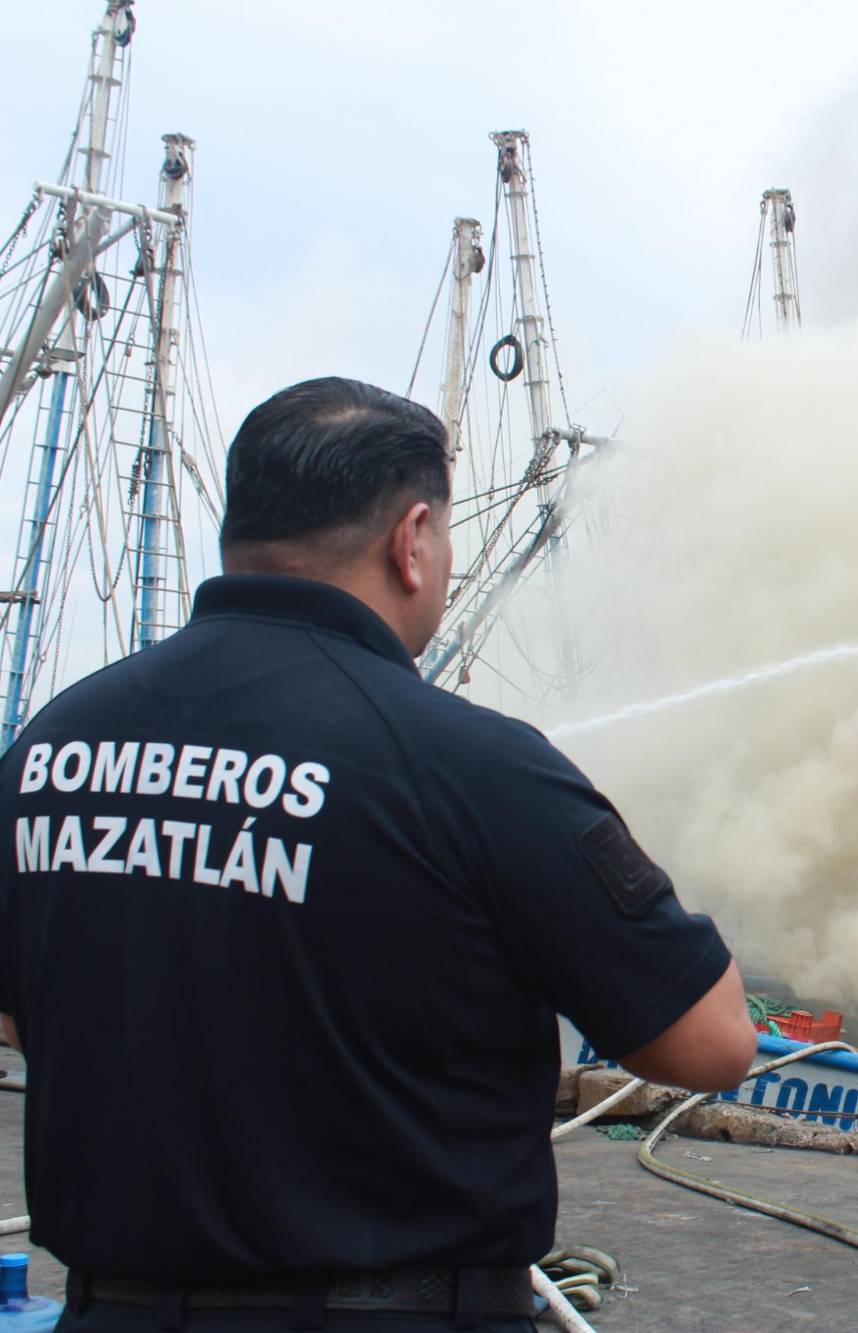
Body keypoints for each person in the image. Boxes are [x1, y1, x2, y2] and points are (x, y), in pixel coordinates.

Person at [0, 377, 757, 1330]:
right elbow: (711, 1042)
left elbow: (26, 1016)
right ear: (411, 539)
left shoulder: (52, 748)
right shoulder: (474, 764)